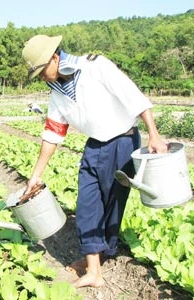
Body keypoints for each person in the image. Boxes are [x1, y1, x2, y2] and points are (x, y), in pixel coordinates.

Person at [22, 35, 168, 288]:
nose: (42, 78)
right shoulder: (57, 92)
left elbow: (134, 97)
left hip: (123, 141)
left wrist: (154, 134)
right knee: (87, 203)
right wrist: (36, 174)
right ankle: (94, 271)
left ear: (55, 58)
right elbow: (52, 134)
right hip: (94, 145)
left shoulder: (95, 67)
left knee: (113, 204)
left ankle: (98, 259)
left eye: (42, 71)